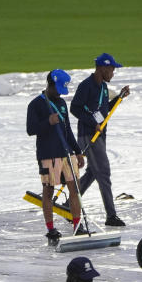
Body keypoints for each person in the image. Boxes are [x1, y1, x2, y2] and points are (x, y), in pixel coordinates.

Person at [70, 53, 131, 227]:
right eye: (112, 69)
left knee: (93, 173)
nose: (113, 73)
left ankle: (69, 205)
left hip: (99, 136)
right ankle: (111, 216)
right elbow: (75, 108)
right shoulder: (86, 86)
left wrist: (119, 97)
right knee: (103, 172)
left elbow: (104, 111)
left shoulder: (104, 87)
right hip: (88, 136)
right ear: (103, 68)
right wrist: (91, 122)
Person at [26, 70, 86, 243]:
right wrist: (47, 123)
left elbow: (67, 130)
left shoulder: (61, 103)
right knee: (49, 190)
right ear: (50, 84)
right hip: (48, 154)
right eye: (58, 88)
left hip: (66, 153)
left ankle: (77, 225)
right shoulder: (36, 104)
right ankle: (51, 229)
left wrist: (77, 151)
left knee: (74, 189)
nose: (60, 93)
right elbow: (31, 130)